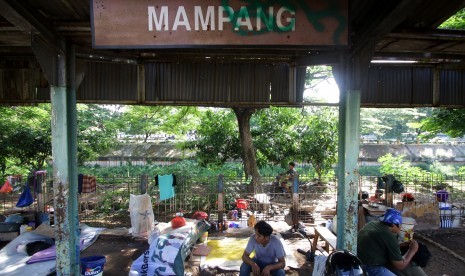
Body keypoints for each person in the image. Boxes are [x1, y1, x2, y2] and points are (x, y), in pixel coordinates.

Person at [357, 208, 427, 276]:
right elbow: (400, 265)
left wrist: (399, 245)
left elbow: (381, 242)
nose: (400, 227)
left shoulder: (372, 224)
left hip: (359, 258)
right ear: (393, 225)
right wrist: (412, 250)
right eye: (400, 224)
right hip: (370, 266)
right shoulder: (389, 235)